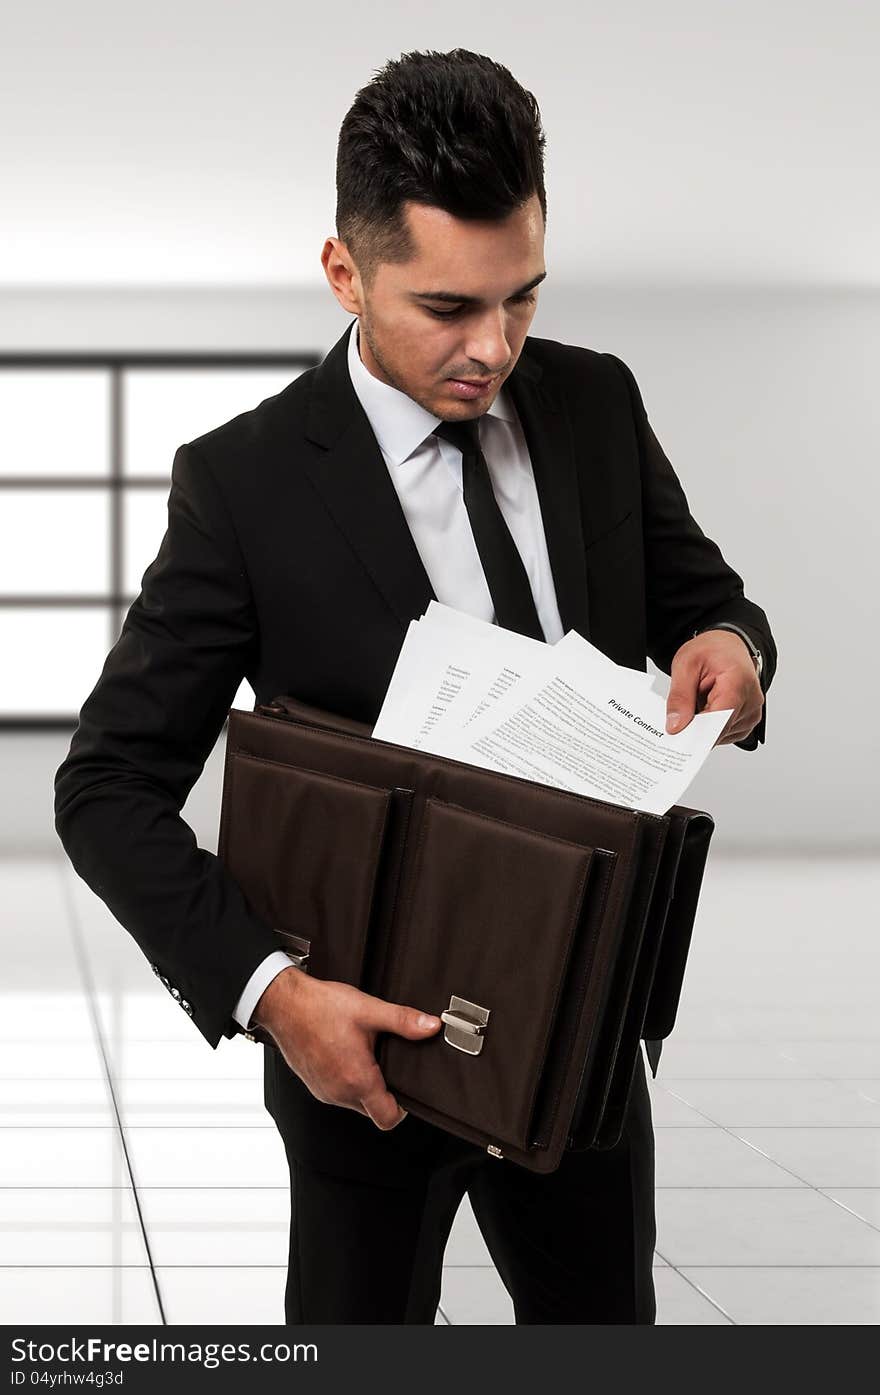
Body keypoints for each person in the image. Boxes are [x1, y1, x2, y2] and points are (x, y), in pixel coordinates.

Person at [54, 47, 776, 1325]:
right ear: (345, 269)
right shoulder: (245, 485)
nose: (493, 348)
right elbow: (106, 787)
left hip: (586, 1021)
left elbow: (700, 596)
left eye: (523, 300)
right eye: (447, 308)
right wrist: (276, 999)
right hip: (362, 1049)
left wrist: (734, 645)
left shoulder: (596, 403)